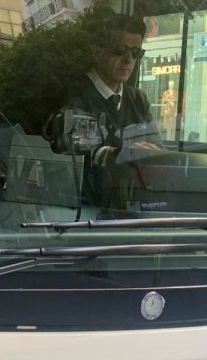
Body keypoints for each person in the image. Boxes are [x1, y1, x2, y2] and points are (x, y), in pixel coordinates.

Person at [57, 11, 156, 211]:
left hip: (129, 213)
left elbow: (154, 156)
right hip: (83, 214)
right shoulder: (74, 95)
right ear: (96, 52)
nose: (129, 60)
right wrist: (127, 153)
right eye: (120, 50)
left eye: (136, 53)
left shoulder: (138, 100)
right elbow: (91, 154)